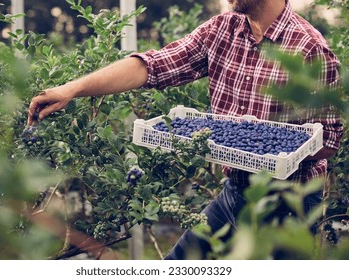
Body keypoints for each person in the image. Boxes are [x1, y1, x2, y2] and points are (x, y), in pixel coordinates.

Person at [28, 0, 343, 259]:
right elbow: (153, 65)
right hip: (235, 191)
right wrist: (71, 88)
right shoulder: (223, 30)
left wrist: (267, 150)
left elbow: (328, 141)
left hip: (287, 206)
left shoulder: (309, 48)